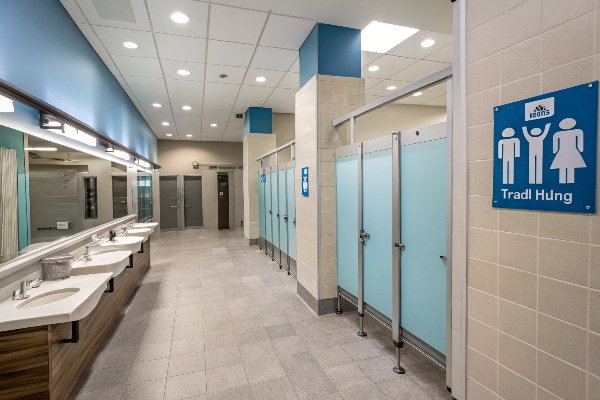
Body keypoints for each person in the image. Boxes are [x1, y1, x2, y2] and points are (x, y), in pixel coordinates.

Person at [551, 118, 586, 184]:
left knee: (567, 167)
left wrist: (555, 151)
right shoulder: (577, 132)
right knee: (566, 167)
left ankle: (568, 183)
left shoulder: (577, 132)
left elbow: (555, 147)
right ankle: (564, 183)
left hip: (565, 152)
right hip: (568, 151)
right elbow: (580, 145)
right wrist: (580, 149)